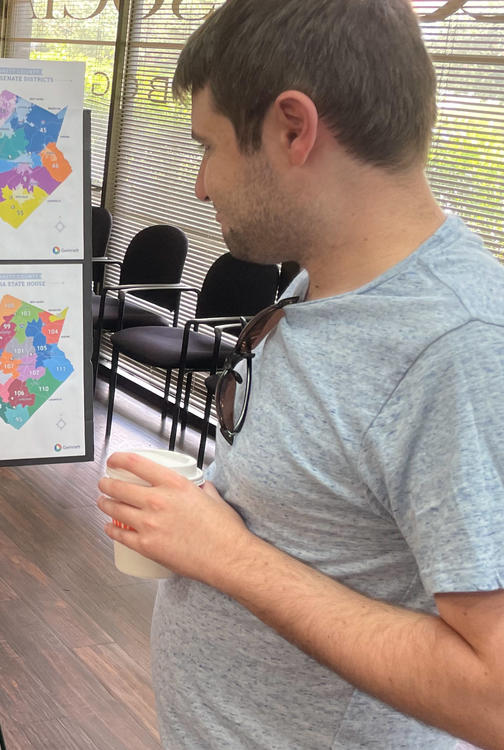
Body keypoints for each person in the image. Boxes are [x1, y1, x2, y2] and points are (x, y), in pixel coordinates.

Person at [96, 1, 504, 748]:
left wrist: (229, 556)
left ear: (293, 129)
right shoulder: (317, 282)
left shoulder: (462, 349)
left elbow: (495, 695)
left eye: (209, 146)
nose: (198, 185)